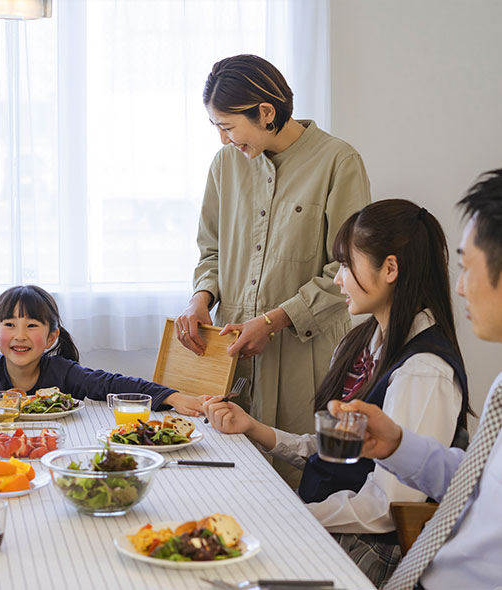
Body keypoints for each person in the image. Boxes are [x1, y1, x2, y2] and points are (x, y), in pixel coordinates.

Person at [203, 200, 470, 586]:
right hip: (332, 527)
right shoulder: (363, 343)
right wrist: (254, 429)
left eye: (347, 265)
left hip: (368, 552)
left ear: (390, 269)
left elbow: (388, 506)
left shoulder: (424, 371)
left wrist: (292, 513)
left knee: (221, 566)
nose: (338, 279)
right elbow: (338, 454)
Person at [176, 54, 372, 485]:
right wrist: (200, 299)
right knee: (227, 476)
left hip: (309, 357)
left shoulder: (339, 162)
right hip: (233, 356)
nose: (224, 141)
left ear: (266, 112)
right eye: (217, 128)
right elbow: (210, 250)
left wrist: (272, 321)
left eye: (228, 126)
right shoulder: (224, 166)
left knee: (300, 479)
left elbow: (348, 271)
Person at [328, 169, 502, 590]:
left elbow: (386, 508)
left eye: (467, 267)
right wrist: (400, 446)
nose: (459, 287)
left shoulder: (425, 367)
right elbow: (477, 481)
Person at [0, 285, 192, 412]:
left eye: (31, 326)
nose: (20, 336)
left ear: (53, 336)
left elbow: (111, 385)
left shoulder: (62, 372)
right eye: (9, 325)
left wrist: (172, 397)